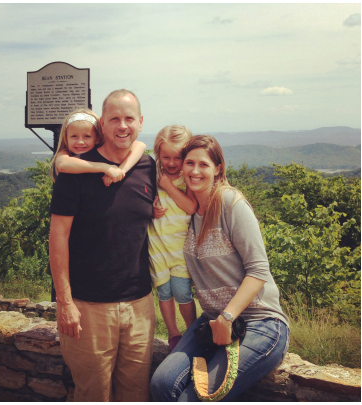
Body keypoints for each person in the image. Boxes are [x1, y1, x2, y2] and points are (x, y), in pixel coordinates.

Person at [150, 135, 290, 402]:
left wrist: (227, 317)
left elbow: (259, 269)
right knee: (162, 385)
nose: (194, 171)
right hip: (211, 321)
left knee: (199, 397)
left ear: (218, 168)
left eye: (203, 164)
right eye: (189, 163)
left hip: (260, 322)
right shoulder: (188, 211)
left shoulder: (230, 203)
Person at [49, 89, 157, 402]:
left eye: (129, 118)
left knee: (136, 394)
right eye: (114, 119)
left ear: (140, 122)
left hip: (140, 304)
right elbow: (58, 237)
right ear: (102, 124)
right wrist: (65, 301)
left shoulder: (147, 166)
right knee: (93, 394)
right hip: (87, 306)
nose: (122, 126)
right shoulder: (76, 171)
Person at [148, 125, 198, 352]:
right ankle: (173, 334)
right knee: (164, 293)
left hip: (179, 249)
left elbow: (190, 207)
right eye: (165, 156)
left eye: (177, 157)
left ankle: (193, 331)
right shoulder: (152, 175)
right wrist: (150, 210)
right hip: (157, 246)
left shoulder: (186, 177)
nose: (170, 162)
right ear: (158, 154)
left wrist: (168, 186)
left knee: (183, 293)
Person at [49, 107, 146, 185]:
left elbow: (140, 145)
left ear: (97, 137)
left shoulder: (101, 151)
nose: (80, 142)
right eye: (74, 136)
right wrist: (105, 168)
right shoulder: (64, 153)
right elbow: (62, 164)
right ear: (66, 138)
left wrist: (121, 170)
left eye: (87, 136)